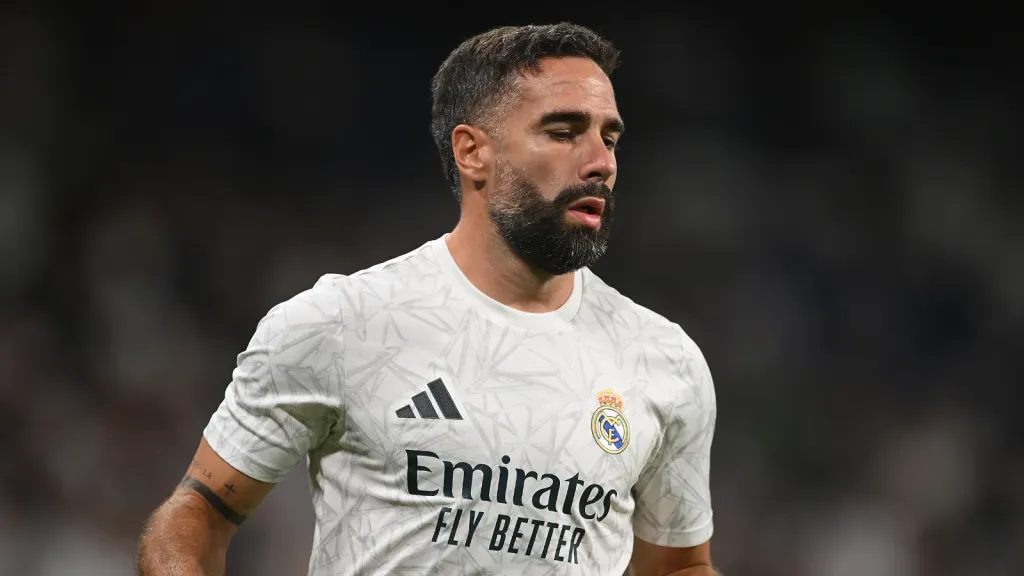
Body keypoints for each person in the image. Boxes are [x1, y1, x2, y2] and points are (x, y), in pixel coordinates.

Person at [137, 22, 719, 576]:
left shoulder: (663, 359)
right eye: (564, 132)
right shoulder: (343, 323)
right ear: (472, 152)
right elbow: (198, 514)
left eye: (608, 137)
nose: (601, 163)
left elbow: (680, 565)